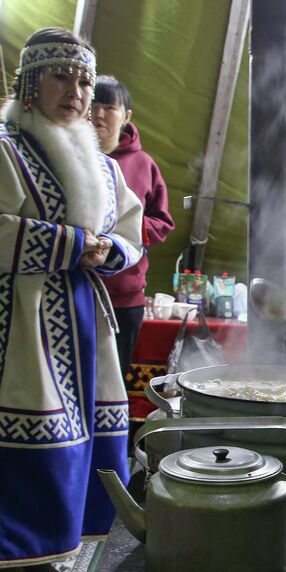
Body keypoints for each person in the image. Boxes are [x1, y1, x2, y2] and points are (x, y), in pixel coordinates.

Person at [0, 28, 143, 572]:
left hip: (78, 314)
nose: (77, 92)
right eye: (62, 77)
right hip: (14, 314)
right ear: (30, 82)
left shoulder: (100, 165)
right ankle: (2, 570)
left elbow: (129, 231)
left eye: (84, 80)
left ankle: (41, 555)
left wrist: (109, 253)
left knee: (73, 444)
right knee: (21, 436)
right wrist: (74, 244)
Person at [91, 75, 174, 430]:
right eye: (93, 105)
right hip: (71, 288)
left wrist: (125, 232)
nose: (98, 114)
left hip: (123, 298)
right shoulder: (67, 155)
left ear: (127, 115)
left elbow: (162, 222)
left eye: (109, 107)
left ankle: (108, 453)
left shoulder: (143, 165)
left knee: (112, 384)